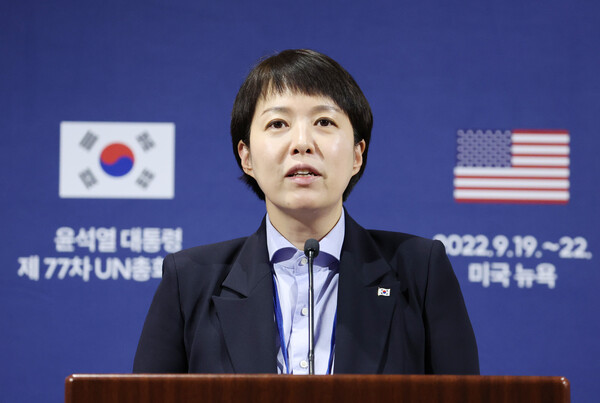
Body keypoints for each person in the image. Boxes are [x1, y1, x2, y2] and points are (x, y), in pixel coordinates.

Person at [133, 49, 479, 375]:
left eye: (324, 122)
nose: (302, 143)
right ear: (246, 156)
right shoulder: (189, 280)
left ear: (357, 155)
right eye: (277, 124)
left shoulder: (420, 271)